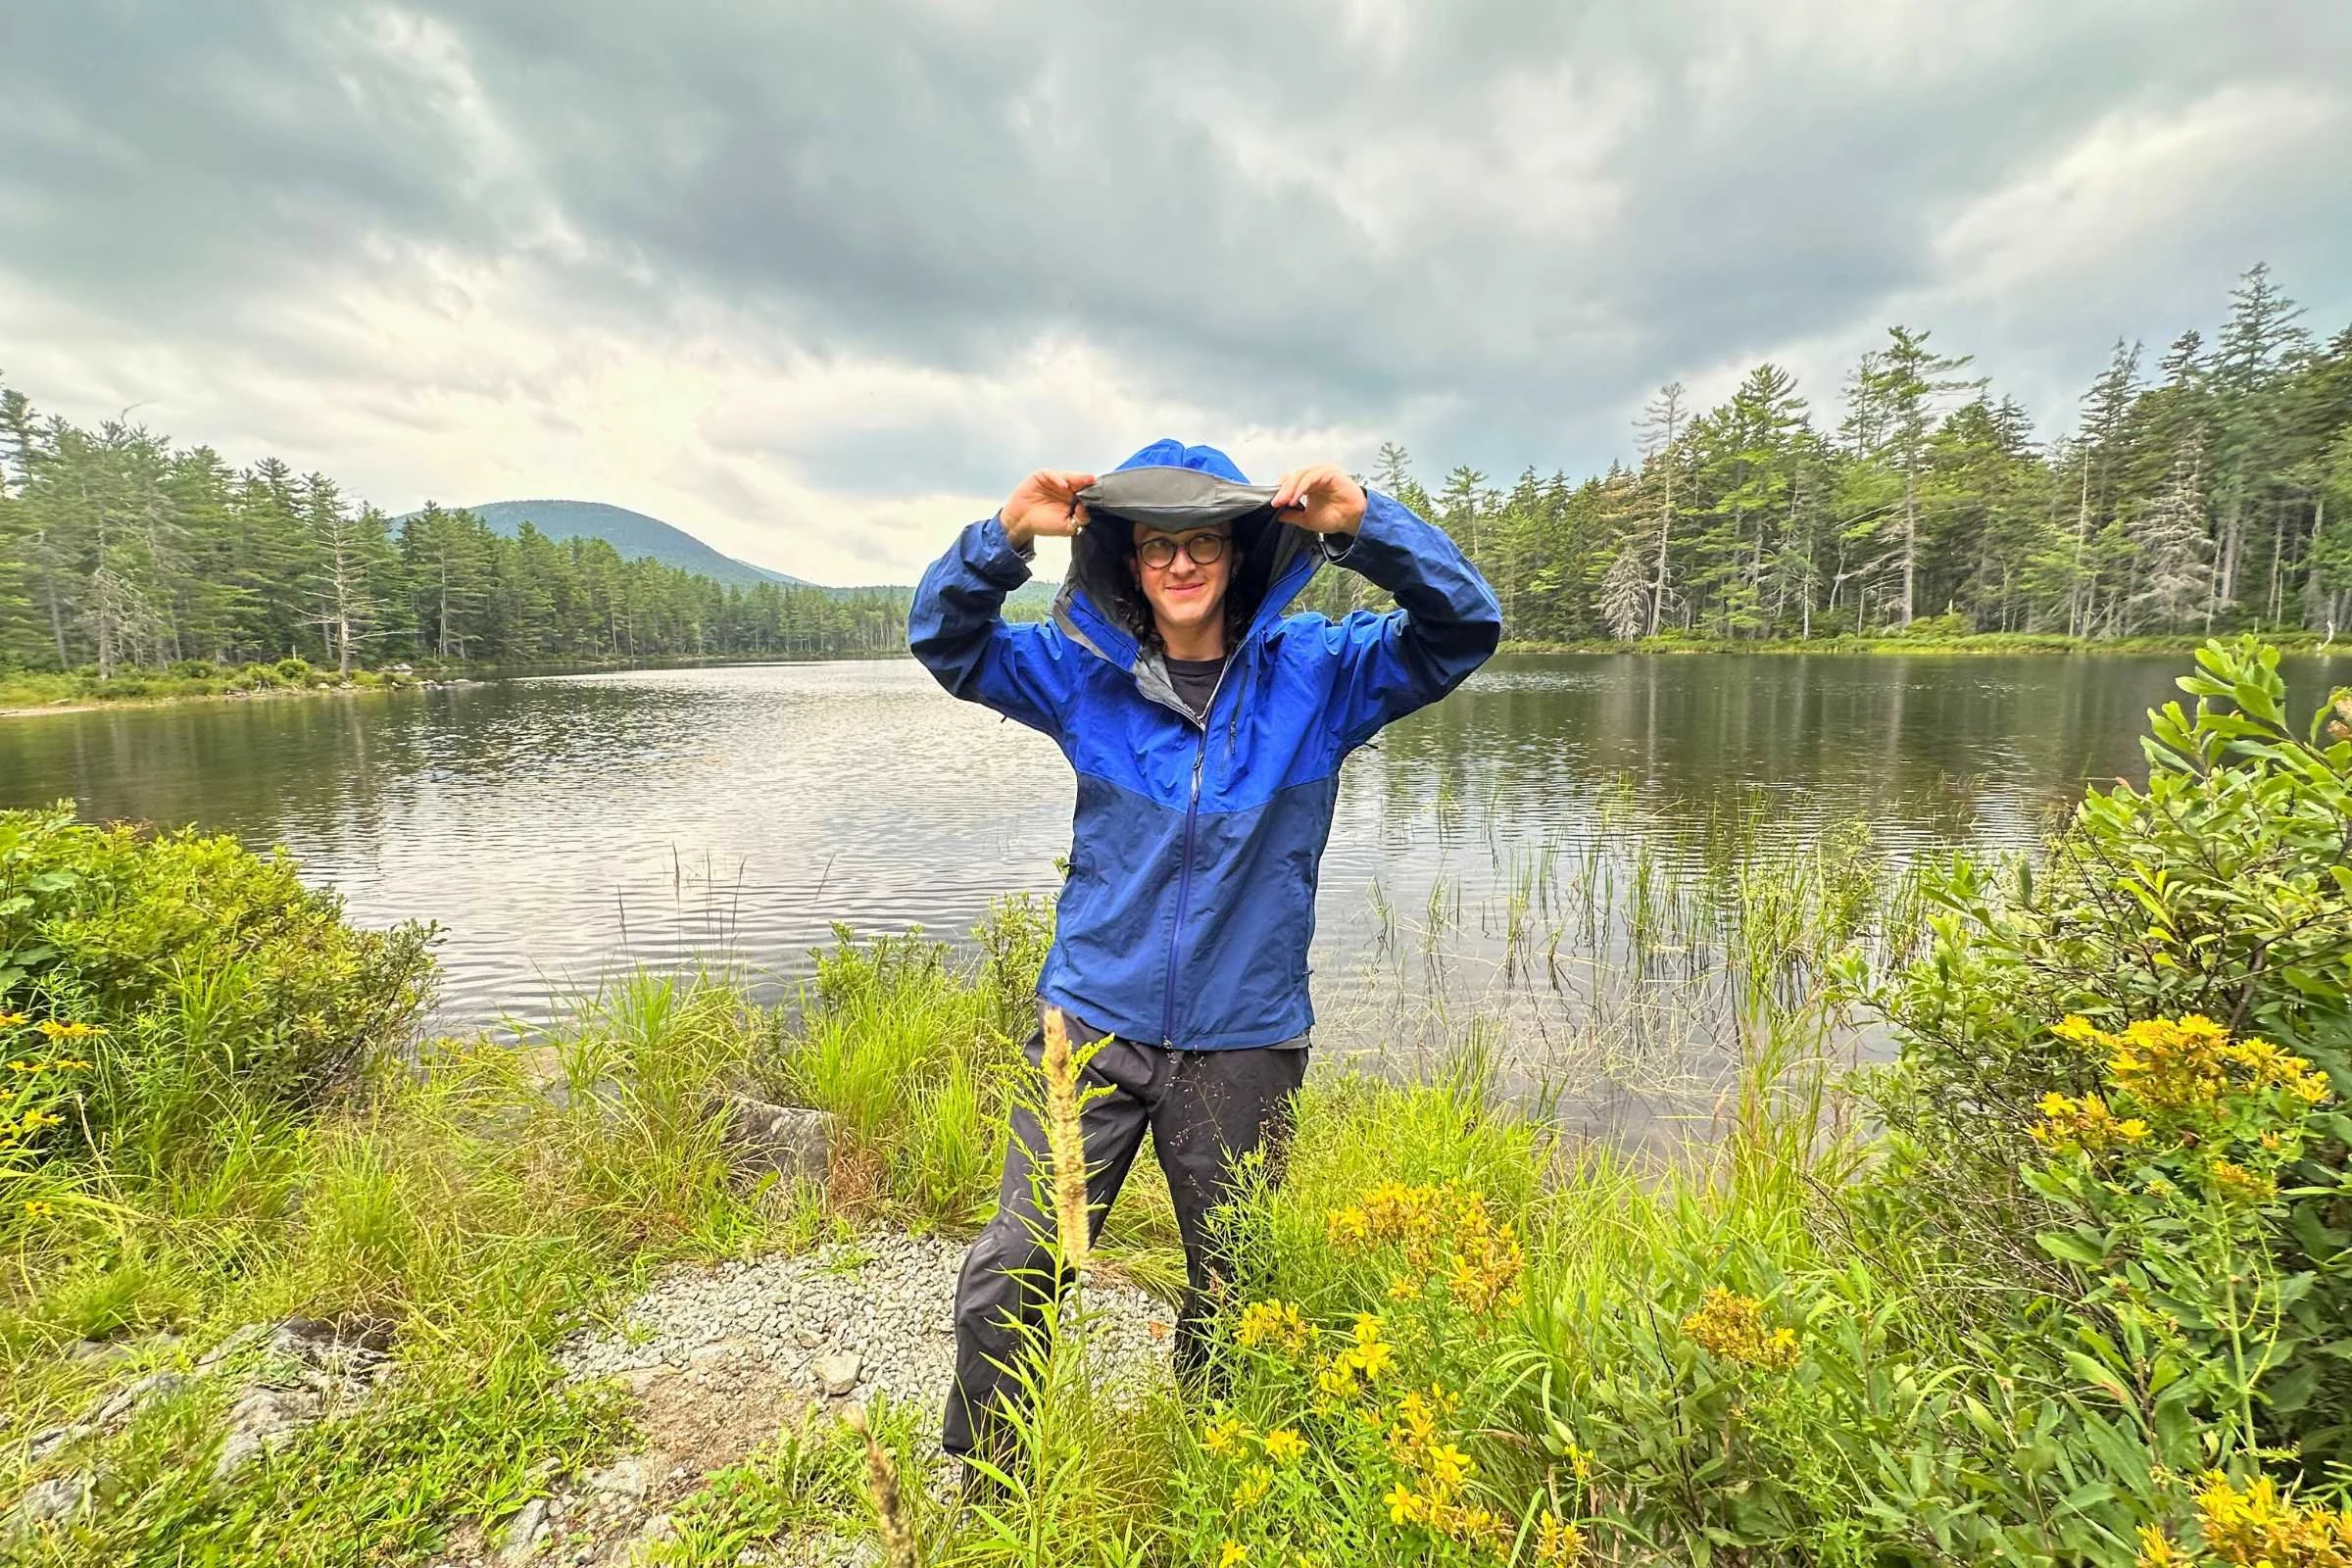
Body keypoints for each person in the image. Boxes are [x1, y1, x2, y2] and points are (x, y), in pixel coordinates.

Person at [906, 437, 1500, 1471]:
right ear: (1127, 564)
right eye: (1157, 546)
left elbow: (1463, 627)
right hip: (1090, 1022)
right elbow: (947, 642)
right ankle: (995, 1487)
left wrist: (1366, 526)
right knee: (1018, 1260)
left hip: (1245, 1039)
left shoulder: (1323, 675)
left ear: (1241, 554)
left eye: (1203, 544)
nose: (1181, 565)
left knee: (1235, 1284)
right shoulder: (1078, 674)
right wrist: (1002, 541)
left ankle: (1214, 1467)